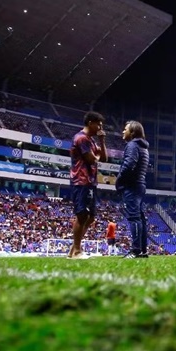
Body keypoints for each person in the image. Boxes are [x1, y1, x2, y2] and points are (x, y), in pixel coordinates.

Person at [69, 111, 107, 259]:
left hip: (90, 181)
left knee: (90, 217)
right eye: (99, 125)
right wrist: (97, 155)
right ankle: (77, 252)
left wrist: (102, 141)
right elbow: (91, 159)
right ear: (90, 123)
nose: (100, 128)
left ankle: (73, 251)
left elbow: (103, 159)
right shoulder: (81, 138)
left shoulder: (91, 141)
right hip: (81, 180)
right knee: (82, 215)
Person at [115, 120, 150, 258]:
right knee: (140, 218)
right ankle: (142, 250)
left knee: (134, 218)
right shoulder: (143, 147)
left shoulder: (132, 145)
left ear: (133, 132)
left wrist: (119, 179)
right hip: (140, 185)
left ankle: (136, 251)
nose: (123, 131)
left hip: (131, 185)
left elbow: (129, 164)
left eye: (126, 129)